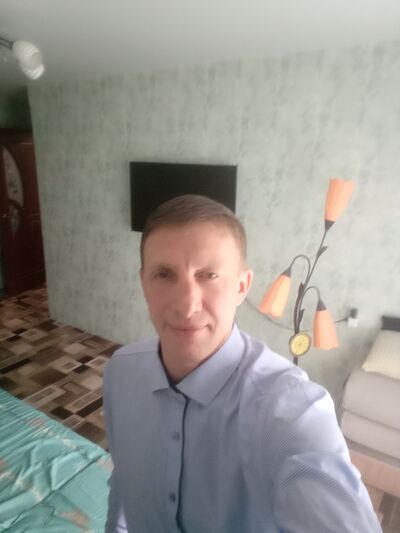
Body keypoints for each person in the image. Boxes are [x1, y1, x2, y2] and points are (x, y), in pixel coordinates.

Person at [103, 194, 381, 533]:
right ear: (143, 282)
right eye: (164, 274)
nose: (187, 306)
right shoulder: (120, 372)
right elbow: (124, 479)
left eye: (208, 275)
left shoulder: (288, 410)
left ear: (241, 287)